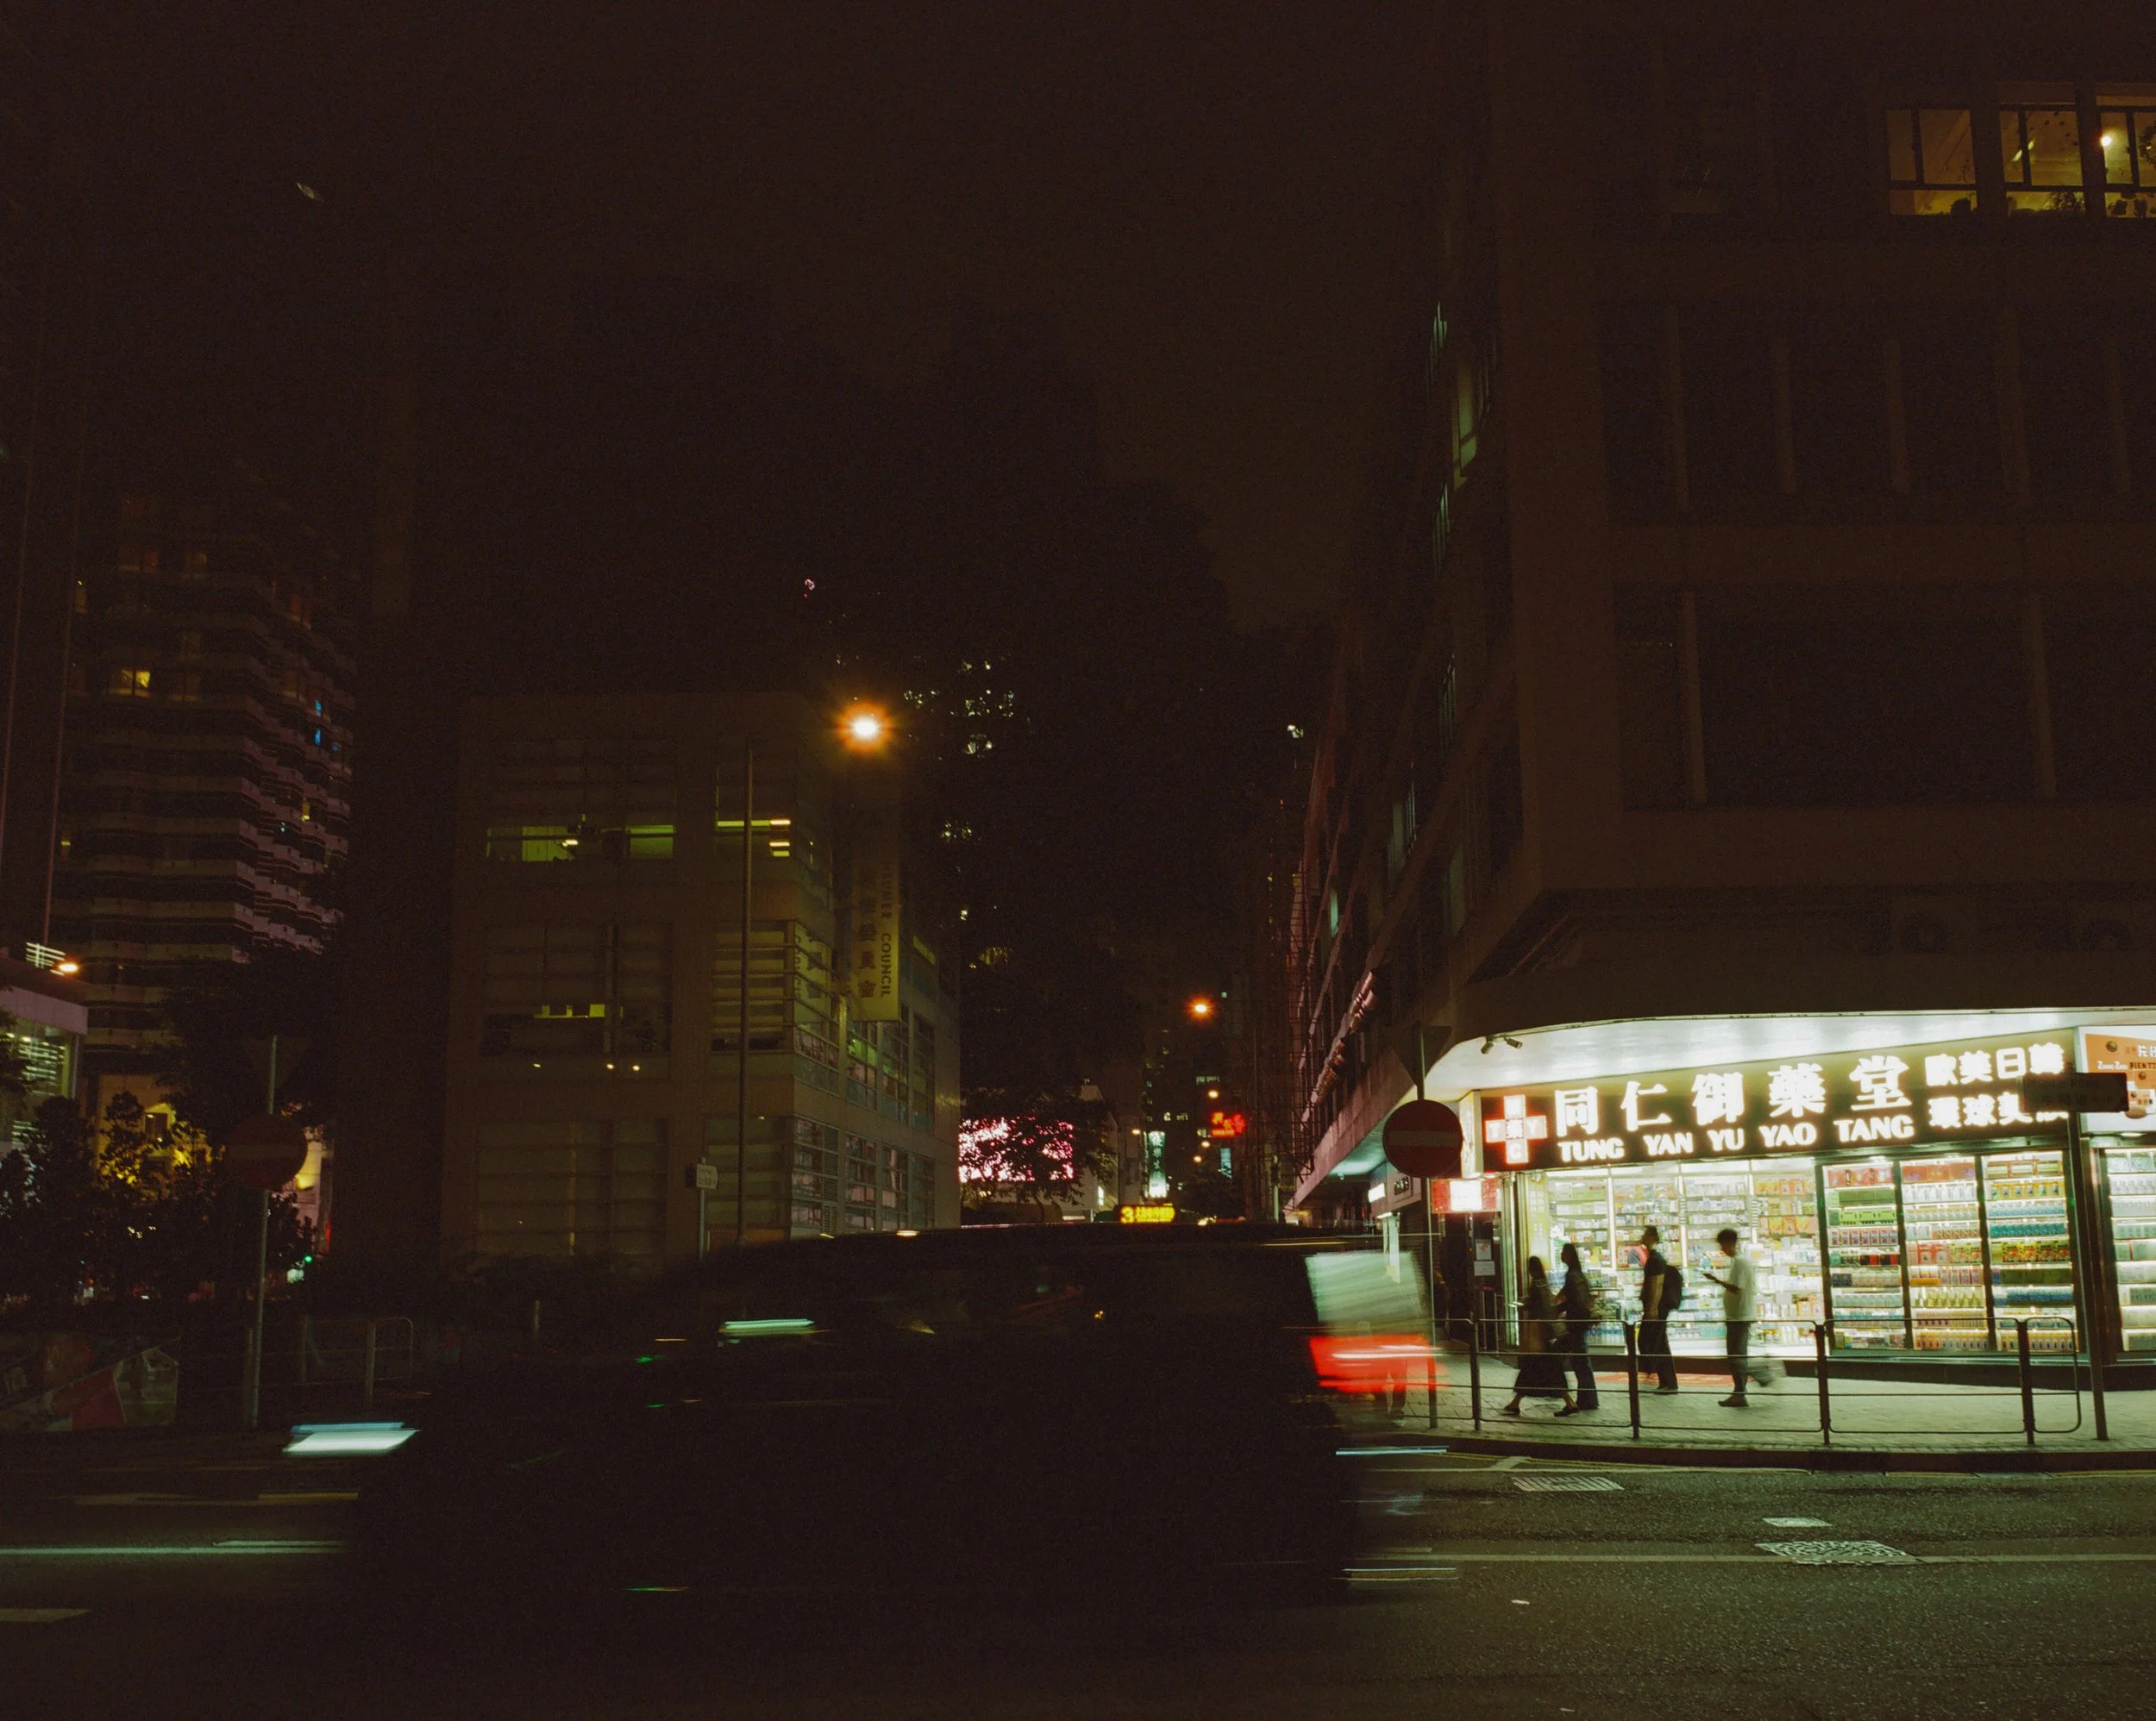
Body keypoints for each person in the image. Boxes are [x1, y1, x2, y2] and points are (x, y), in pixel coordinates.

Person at [1502, 1256, 1576, 1417]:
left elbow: (1538, 1307)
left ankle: (1569, 1403)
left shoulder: (1536, 1285)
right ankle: (1515, 1403)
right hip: (1544, 1332)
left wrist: (1524, 1304)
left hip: (1539, 1332)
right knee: (1539, 1369)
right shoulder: (1543, 1283)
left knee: (1538, 1368)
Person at [1703, 1226, 1767, 1408]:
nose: (1721, 1250)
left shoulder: (1740, 1262)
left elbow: (1736, 1288)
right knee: (1737, 1355)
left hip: (1739, 1316)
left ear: (1730, 1243)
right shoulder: (1739, 1262)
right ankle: (1740, 1391)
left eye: (1722, 1245)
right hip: (1737, 1316)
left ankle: (1743, 1390)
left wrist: (1716, 1280)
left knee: (1737, 1356)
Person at [1554, 1241, 1600, 1415]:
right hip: (1581, 1322)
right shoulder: (1577, 1274)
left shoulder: (1572, 1276)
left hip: (1575, 1323)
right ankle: (1587, 1399)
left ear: (1569, 1255)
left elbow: (1572, 1300)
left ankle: (1584, 1400)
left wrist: (1557, 1310)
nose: (1561, 1255)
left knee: (1578, 1361)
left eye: (1563, 1253)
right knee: (1581, 1361)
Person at [1638, 1226, 1678, 1393]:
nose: (1643, 1236)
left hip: (1657, 1309)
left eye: (1646, 1234)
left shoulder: (1655, 1259)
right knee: (1659, 1343)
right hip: (1657, 1308)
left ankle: (1668, 1382)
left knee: (1657, 1344)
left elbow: (1657, 1284)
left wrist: (1652, 1308)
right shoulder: (1653, 1258)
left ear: (1653, 1238)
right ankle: (1666, 1381)